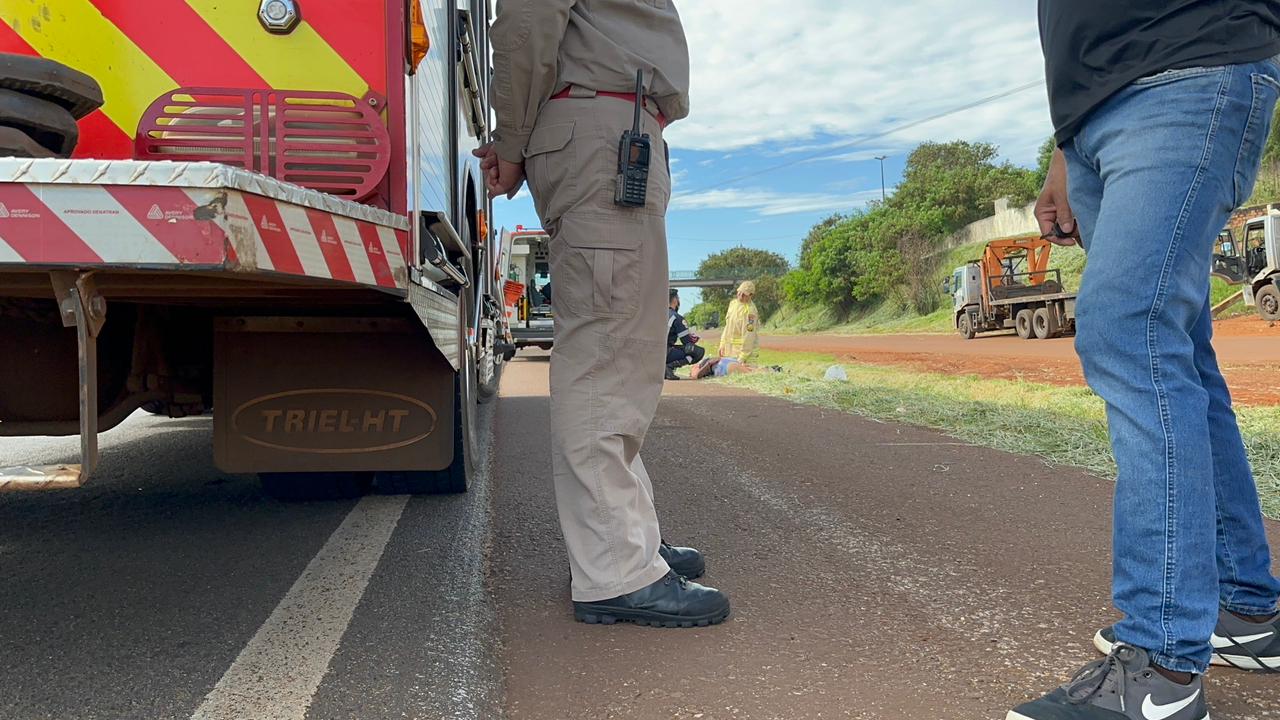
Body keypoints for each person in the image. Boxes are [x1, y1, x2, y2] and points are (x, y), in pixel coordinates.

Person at [1011, 4, 1280, 719]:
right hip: (1093, 117)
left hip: (1192, 66)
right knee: (1178, 352)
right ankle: (1244, 609)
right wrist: (1065, 148)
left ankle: (1162, 665)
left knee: (1128, 332)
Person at [475, 0, 729, 627]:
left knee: (624, 355)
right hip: (599, 130)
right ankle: (615, 566)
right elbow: (527, 20)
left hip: (614, 131)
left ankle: (622, 539)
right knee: (607, 353)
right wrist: (510, 140)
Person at [718, 280, 760, 366]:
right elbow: (727, 327)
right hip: (729, 352)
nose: (740, 296)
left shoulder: (750, 312)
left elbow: (749, 336)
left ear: (751, 295)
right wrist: (722, 344)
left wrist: (742, 357)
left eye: (744, 294)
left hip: (743, 356)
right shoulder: (733, 304)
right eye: (739, 292)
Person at [666, 289, 704, 381]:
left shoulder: (655, 315)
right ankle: (670, 367)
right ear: (675, 300)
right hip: (664, 352)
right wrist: (693, 338)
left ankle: (663, 370)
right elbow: (687, 342)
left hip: (648, 353)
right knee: (697, 351)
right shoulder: (676, 317)